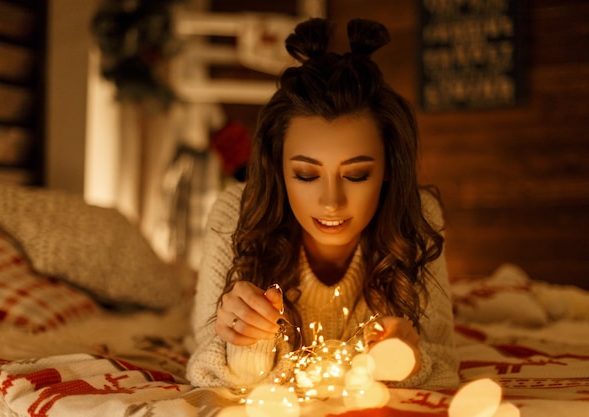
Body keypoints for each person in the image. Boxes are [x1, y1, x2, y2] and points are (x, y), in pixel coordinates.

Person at [186, 17, 459, 391]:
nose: (332, 202)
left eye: (357, 175)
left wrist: (405, 360)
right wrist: (249, 345)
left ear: (388, 170)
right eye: (306, 175)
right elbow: (207, 371)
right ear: (278, 169)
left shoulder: (417, 214)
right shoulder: (236, 214)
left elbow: (444, 365)